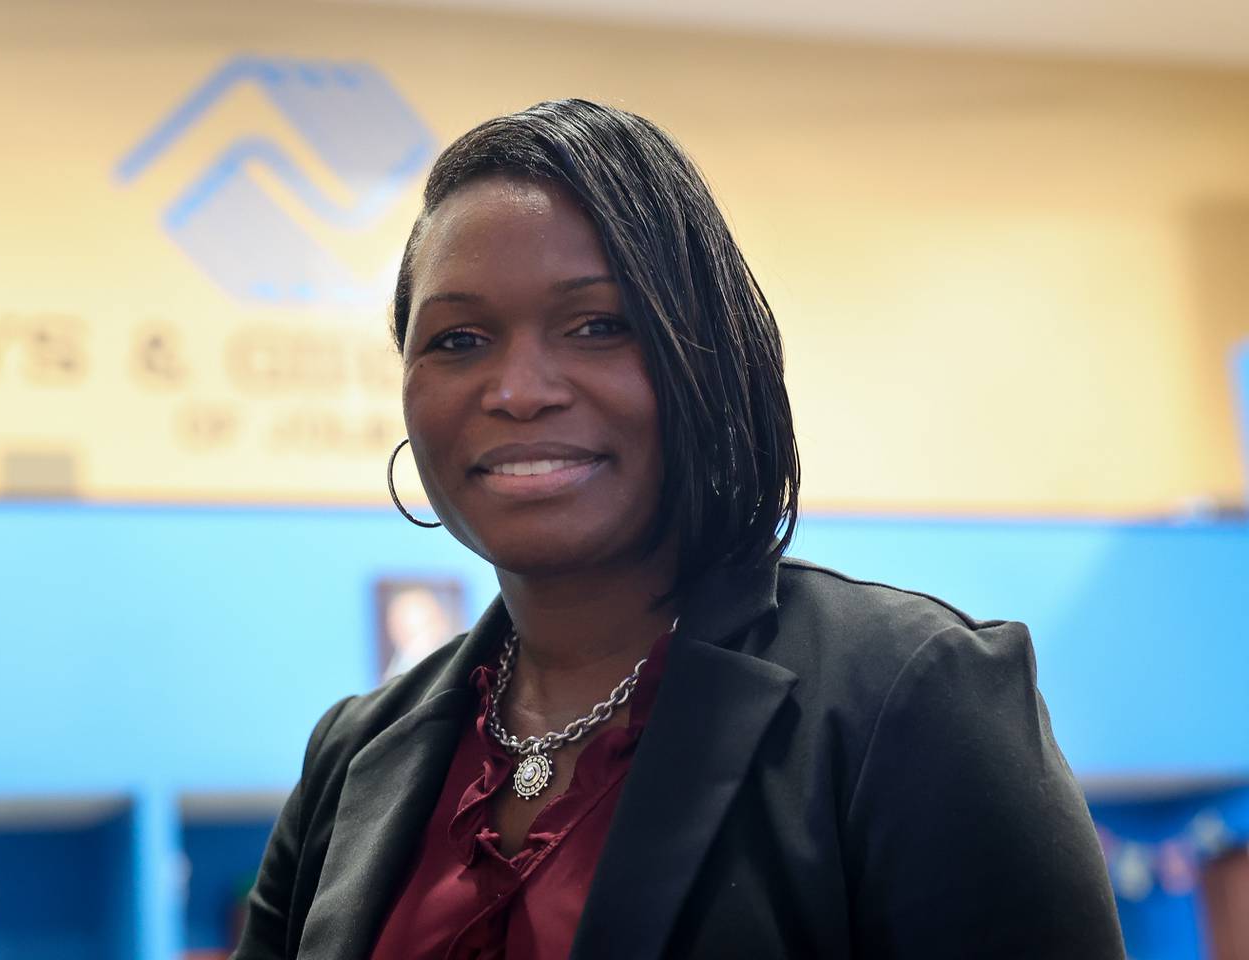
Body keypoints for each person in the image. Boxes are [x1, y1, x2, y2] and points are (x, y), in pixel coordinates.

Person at [232, 99, 1124, 959]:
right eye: (459, 340)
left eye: (597, 325)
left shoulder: (912, 699)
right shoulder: (351, 758)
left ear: (709, 354)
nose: (518, 390)